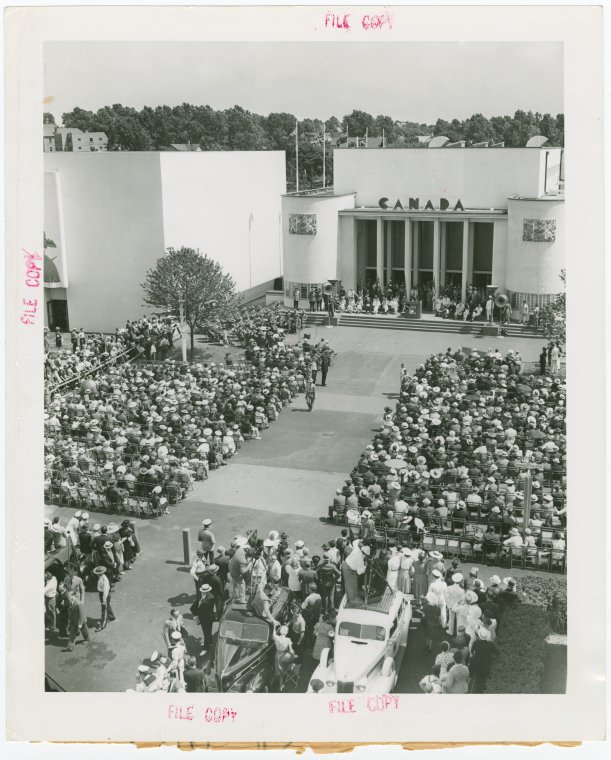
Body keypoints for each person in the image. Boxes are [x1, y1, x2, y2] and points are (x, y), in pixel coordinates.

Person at [469, 627, 499, 693]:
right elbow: (497, 653)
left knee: (476, 679)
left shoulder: (475, 643)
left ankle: (474, 691)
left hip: (477, 663)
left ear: (479, 636)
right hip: (486, 664)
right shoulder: (490, 644)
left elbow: (472, 651)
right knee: (484, 679)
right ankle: (482, 690)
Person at [196, 584, 216, 655]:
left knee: (206, 632)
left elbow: (204, 607)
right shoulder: (208, 596)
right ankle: (210, 642)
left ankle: (206, 648)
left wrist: (201, 600)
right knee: (208, 631)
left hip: (206, 618)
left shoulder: (209, 598)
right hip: (207, 617)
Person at [94, 566, 115, 631]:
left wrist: (103, 600)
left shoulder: (104, 579)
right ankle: (111, 616)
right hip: (101, 593)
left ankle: (102, 624)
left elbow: (105, 591)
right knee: (107, 606)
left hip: (104, 594)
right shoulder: (100, 577)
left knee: (104, 610)